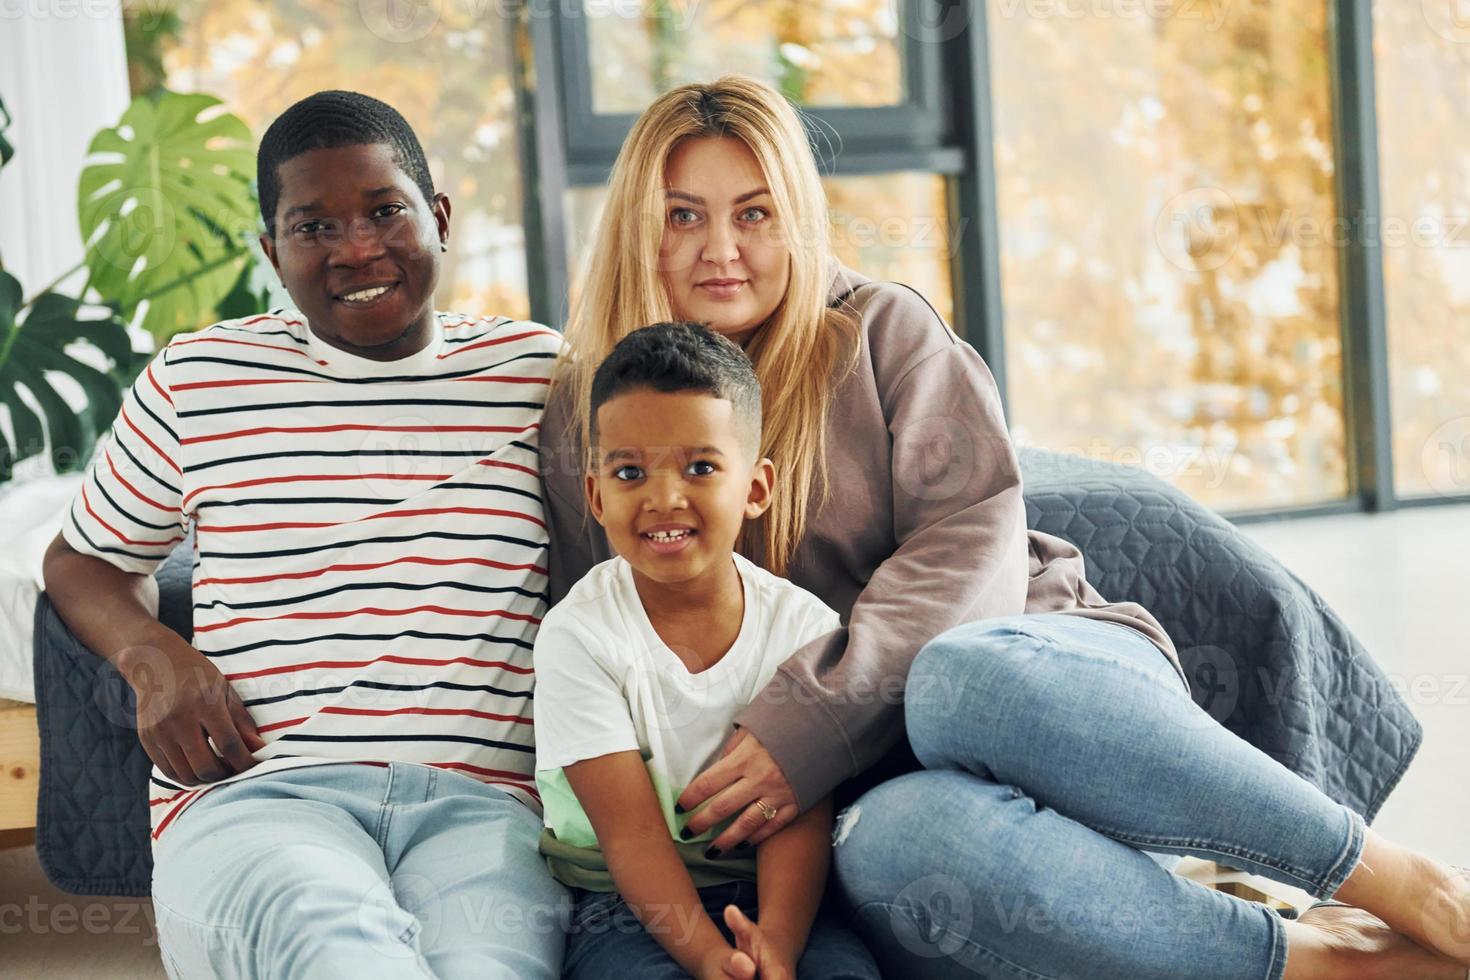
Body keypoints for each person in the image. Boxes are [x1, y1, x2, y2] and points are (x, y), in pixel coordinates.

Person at [539, 74, 1470, 979]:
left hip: (1035, 684)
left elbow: (972, 545)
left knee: (957, 678)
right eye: (683, 215)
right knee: (902, 849)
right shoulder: (586, 408)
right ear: (638, 228)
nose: (720, 250)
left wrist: (811, 722)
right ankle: (1327, 964)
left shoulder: (881, 331)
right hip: (878, 795)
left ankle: (1394, 881)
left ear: (797, 220)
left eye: (754, 213)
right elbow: (610, 622)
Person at [42, 91, 568, 978]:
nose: (357, 249)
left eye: (385, 211)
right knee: (336, 949)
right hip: (261, 802)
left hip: (487, 809)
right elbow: (83, 559)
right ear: (271, 251)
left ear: (439, 217)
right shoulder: (198, 379)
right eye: (313, 227)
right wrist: (151, 654)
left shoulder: (537, 374)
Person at [533, 321, 880, 980]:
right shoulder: (579, 636)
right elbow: (631, 837)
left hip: (779, 892)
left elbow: (795, 814)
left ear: (755, 488)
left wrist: (771, 944)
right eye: (630, 471)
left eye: (700, 467)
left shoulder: (802, 627)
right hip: (621, 900)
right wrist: (709, 957)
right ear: (596, 495)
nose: (665, 497)